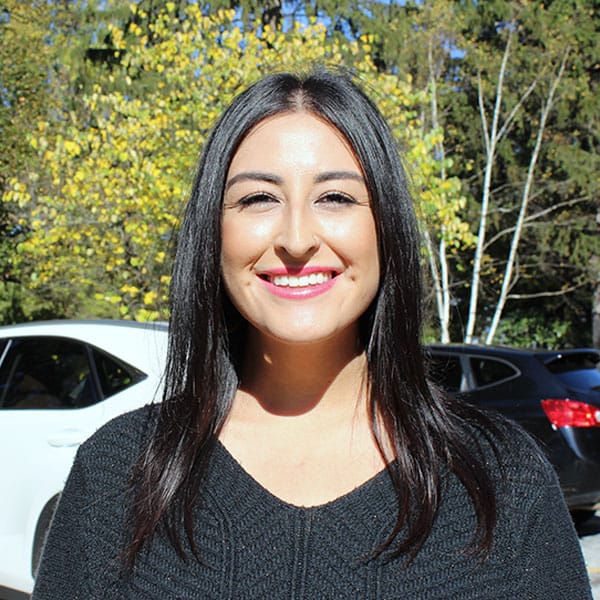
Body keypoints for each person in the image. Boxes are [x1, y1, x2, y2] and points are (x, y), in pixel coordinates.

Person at [32, 68, 591, 599]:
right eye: (258, 198)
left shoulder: (501, 481)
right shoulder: (119, 472)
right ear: (213, 232)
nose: (297, 239)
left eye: (336, 197)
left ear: (387, 227)